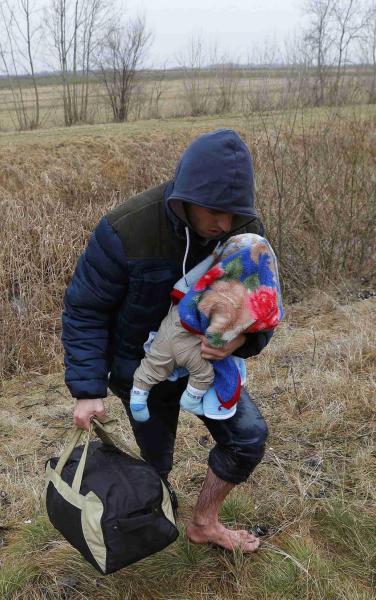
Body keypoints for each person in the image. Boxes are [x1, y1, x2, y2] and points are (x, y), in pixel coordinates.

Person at [62, 129, 273, 552]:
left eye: (234, 213)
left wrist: (241, 343)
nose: (225, 225)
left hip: (207, 366)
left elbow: (260, 307)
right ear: (185, 196)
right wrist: (88, 390)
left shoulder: (245, 233)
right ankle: (153, 518)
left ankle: (204, 524)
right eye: (215, 211)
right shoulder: (127, 229)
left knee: (248, 438)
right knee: (157, 463)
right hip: (142, 369)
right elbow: (85, 308)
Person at [130, 233, 283, 423]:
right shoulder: (230, 294)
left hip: (167, 333)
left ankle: (138, 398)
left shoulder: (240, 236)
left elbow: (259, 327)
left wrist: (243, 341)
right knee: (204, 374)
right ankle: (190, 400)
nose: (222, 224)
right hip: (178, 345)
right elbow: (217, 339)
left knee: (151, 367)